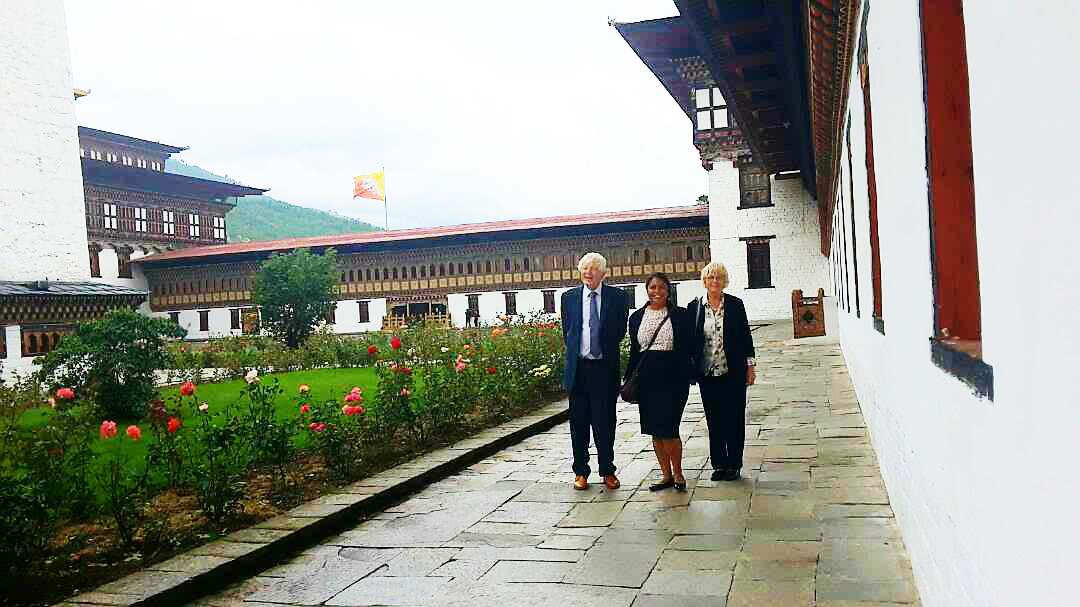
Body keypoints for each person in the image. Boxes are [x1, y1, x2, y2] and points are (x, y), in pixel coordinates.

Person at [560, 252, 628, 491]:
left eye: (593, 269)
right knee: (578, 424)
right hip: (579, 370)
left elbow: (620, 331)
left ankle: (607, 470)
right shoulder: (568, 298)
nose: (588, 272)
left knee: (605, 422)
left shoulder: (618, 297)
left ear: (603, 273)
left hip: (603, 369)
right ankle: (581, 472)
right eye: (584, 268)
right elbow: (567, 331)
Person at [686, 261, 756, 482]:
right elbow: (690, 340)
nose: (715, 281)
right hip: (707, 374)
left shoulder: (735, 305)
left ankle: (734, 463)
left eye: (719, 277)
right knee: (714, 419)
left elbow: (746, 337)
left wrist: (750, 367)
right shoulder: (694, 307)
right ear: (704, 281)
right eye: (711, 277)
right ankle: (719, 464)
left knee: (734, 418)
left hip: (732, 371)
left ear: (724, 281)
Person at [626, 272, 692, 492]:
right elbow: (635, 352)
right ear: (647, 289)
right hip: (647, 380)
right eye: (653, 287)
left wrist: (690, 374)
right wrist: (628, 379)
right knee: (655, 429)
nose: (657, 292)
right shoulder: (636, 317)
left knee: (670, 429)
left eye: (661, 287)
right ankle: (666, 475)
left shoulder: (680, 315)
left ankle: (679, 474)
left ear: (668, 290)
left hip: (674, 380)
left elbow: (690, 347)